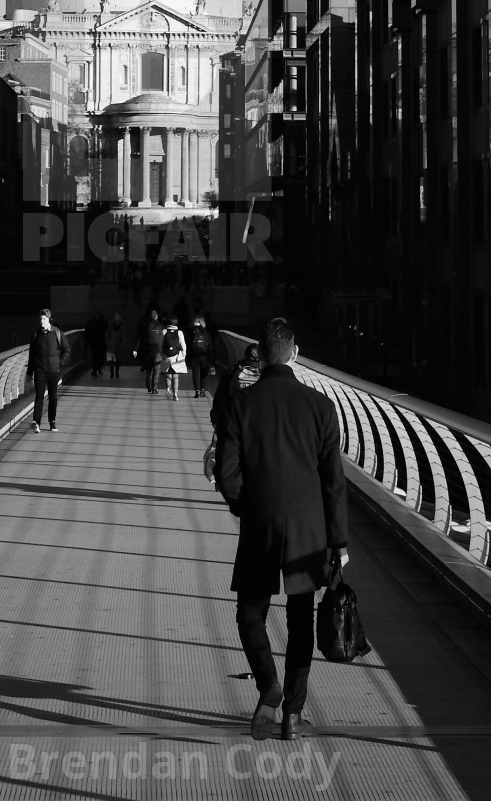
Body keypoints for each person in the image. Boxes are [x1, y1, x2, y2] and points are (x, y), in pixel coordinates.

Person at [217, 318, 348, 742]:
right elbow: (333, 483)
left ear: (259, 354)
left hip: (260, 520)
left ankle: (267, 684)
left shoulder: (241, 404)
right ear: (294, 352)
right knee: (300, 618)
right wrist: (338, 541)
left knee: (250, 611)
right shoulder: (321, 407)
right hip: (308, 527)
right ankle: (293, 714)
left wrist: (244, 504)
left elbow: (226, 472)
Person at [25, 307, 70, 433]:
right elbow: (32, 355)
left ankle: (52, 422)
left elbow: (67, 349)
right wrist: (29, 374)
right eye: (40, 319)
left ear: (48, 319)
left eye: (44, 319)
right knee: (39, 396)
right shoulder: (35, 335)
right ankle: (36, 422)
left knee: (53, 397)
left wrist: (60, 363)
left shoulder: (57, 333)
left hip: (53, 371)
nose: (41, 321)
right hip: (40, 371)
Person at [134, 306, 164, 393]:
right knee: (157, 370)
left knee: (148, 370)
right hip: (157, 351)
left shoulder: (145, 325)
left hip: (148, 351)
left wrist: (136, 349)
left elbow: (140, 338)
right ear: (157, 316)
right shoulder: (160, 326)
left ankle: (148, 386)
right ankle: (155, 388)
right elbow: (162, 339)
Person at [186, 313, 213, 398]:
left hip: (194, 356)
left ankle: (197, 391)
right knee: (204, 374)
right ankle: (202, 391)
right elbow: (210, 345)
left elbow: (188, 345)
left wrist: (188, 358)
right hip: (204, 356)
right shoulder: (205, 331)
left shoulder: (191, 331)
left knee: (196, 374)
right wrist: (211, 358)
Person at [160, 314, 187, 400]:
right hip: (177, 357)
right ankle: (175, 394)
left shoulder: (164, 331)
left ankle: (168, 388)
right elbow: (183, 345)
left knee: (168, 374)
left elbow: (160, 344)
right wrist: (183, 354)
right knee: (176, 376)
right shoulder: (179, 332)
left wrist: (162, 354)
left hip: (166, 356)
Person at [84, 308, 108, 377]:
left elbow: (87, 332)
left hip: (95, 342)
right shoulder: (104, 322)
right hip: (100, 342)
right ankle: (98, 369)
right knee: (98, 356)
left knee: (96, 356)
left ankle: (96, 370)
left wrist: (86, 341)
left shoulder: (91, 322)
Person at [105, 311, 126, 379]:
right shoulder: (111, 326)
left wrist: (122, 343)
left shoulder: (121, 328)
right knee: (111, 361)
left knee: (117, 361)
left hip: (118, 347)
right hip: (111, 346)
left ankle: (116, 372)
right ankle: (112, 373)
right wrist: (108, 342)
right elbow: (107, 336)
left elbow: (124, 337)